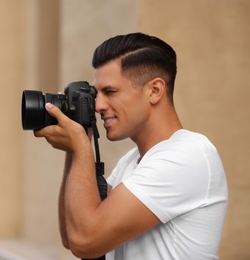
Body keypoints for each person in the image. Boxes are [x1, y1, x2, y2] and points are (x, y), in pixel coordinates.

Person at [34, 32, 228, 259]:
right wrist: (76, 143)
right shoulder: (132, 161)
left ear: (154, 91)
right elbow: (72, 233)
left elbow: (85, 241)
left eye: (110, 92)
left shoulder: (187, 155)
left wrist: (79, 146)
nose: (97, 105)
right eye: (96, 94)